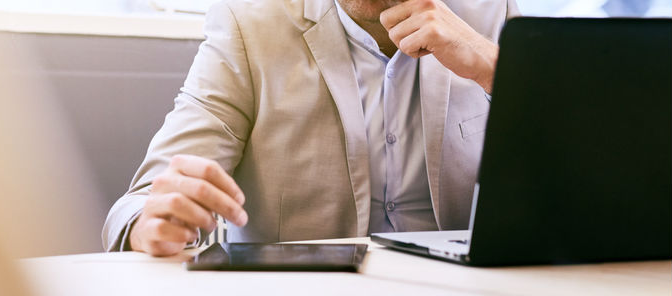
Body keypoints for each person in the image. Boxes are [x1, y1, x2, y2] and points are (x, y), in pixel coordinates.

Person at [103, 0, 518, 256]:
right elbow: (139, 202)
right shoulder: (248, 23)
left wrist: (498, 69)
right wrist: (149, 225)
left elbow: (574, 176)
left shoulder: (491, 12)